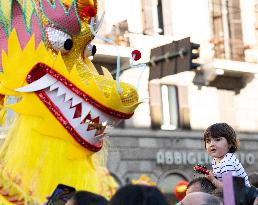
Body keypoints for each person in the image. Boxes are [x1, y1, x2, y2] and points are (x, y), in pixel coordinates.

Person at [203, 123, 250, 188]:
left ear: (230, 143)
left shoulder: (227, 162)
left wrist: (213, 180)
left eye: (217, 140)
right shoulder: (216, 160)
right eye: (208, 141)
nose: (211, 144)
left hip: (243, 196)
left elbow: (229, 189)